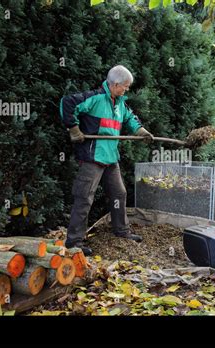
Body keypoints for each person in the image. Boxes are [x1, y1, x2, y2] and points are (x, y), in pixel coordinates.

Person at [60, 65, 154, 255]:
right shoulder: (94, 98)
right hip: (92, 156)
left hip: (111, 157)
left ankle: (121, 230)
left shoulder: (120, 103)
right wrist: (73, 128)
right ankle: (74, 242)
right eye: (125, 86)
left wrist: (141, 131)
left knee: (119, 193)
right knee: (84, 196)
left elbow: (130, 118)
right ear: (116, 84)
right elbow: (67, 102)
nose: (127, 89)